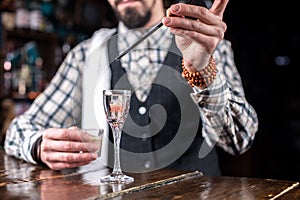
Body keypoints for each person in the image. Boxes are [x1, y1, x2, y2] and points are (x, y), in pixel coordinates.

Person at [4, 0, 258, 176]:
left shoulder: (209, 46)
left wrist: (203, 71)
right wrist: (39, 145)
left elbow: (240, 139)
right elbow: (18, 131)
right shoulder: (87, 54)